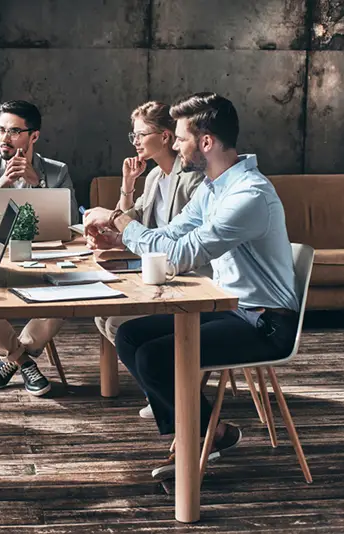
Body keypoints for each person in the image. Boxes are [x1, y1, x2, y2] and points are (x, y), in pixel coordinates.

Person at [83, 93, 300, 480]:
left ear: (206, 142)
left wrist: (118, 221)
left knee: (155, 358)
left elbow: (183, 254)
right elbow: (169, 235)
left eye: (181, 137)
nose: (176, 145)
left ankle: (194, 442)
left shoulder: (248, 195)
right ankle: (209, 432)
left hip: (263, 322)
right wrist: (118, 240)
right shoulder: (211, 188)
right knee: (131, 336)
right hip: (227, 307)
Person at [93, 101, 205, 420]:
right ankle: (159, 389)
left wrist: (115, 223)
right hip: (157, 270)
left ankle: (164, 391)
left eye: (141, 134)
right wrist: (127, 186)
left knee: (117, 322)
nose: (136, 141)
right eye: (134, 135)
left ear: (166, 137)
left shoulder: (191, 179)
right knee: (102, 317)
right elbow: (133, 218)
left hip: (185, 277)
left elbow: (172, 236)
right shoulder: (156, 175)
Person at [0, 100, 79, 397]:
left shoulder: (56, 171)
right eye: (0, 130)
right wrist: (2, 183)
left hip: (44, 259)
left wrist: (37, 183)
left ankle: (13, 360)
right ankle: (23, 361)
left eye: (14, 131)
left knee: (67, 296)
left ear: (33, 136)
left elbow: (72, 221)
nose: (4, 138)